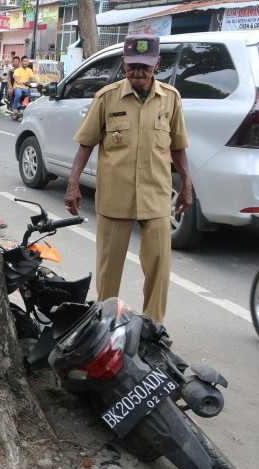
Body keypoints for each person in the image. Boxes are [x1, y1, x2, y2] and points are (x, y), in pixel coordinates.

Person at [64, 34, 192, 323]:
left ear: (157, 64)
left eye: (144, 67)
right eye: (132, 65)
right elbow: (86, 143)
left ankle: (153, 328)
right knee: (109, 269)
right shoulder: (107, 98)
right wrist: (73, 183)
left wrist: (187, 186)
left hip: (156, 195)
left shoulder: (170, 99)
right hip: (115, 196)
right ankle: (106, 325)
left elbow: (178, 147)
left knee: (159, 266)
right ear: (124, 63)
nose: (138, 72)